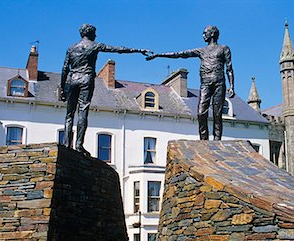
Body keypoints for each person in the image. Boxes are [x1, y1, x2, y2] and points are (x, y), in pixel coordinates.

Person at [59, 23, 151, 156]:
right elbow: (117, 49)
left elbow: (64, 68)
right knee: (83, 111)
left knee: (69, 114)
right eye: (94, 33)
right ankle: (78, 145)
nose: (96, 35)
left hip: (73, 79)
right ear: (90, 33)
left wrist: (62, 87)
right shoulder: (95, 45)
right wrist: (138, 50)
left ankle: (66, 144)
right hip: (86, 78)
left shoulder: (71, 48)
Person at [147, 25, 234, 140]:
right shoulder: (201, 51)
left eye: (205, 33)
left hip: (219, 83)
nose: (203, 35)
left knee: (217, 114)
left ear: (212, 34)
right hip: (205, 83)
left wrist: (232, 86)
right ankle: (204, 141)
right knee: (201, 112)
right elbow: (180, 54)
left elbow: (229, 68)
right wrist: (159, 54)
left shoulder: (224, 48)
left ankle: (217, 141)